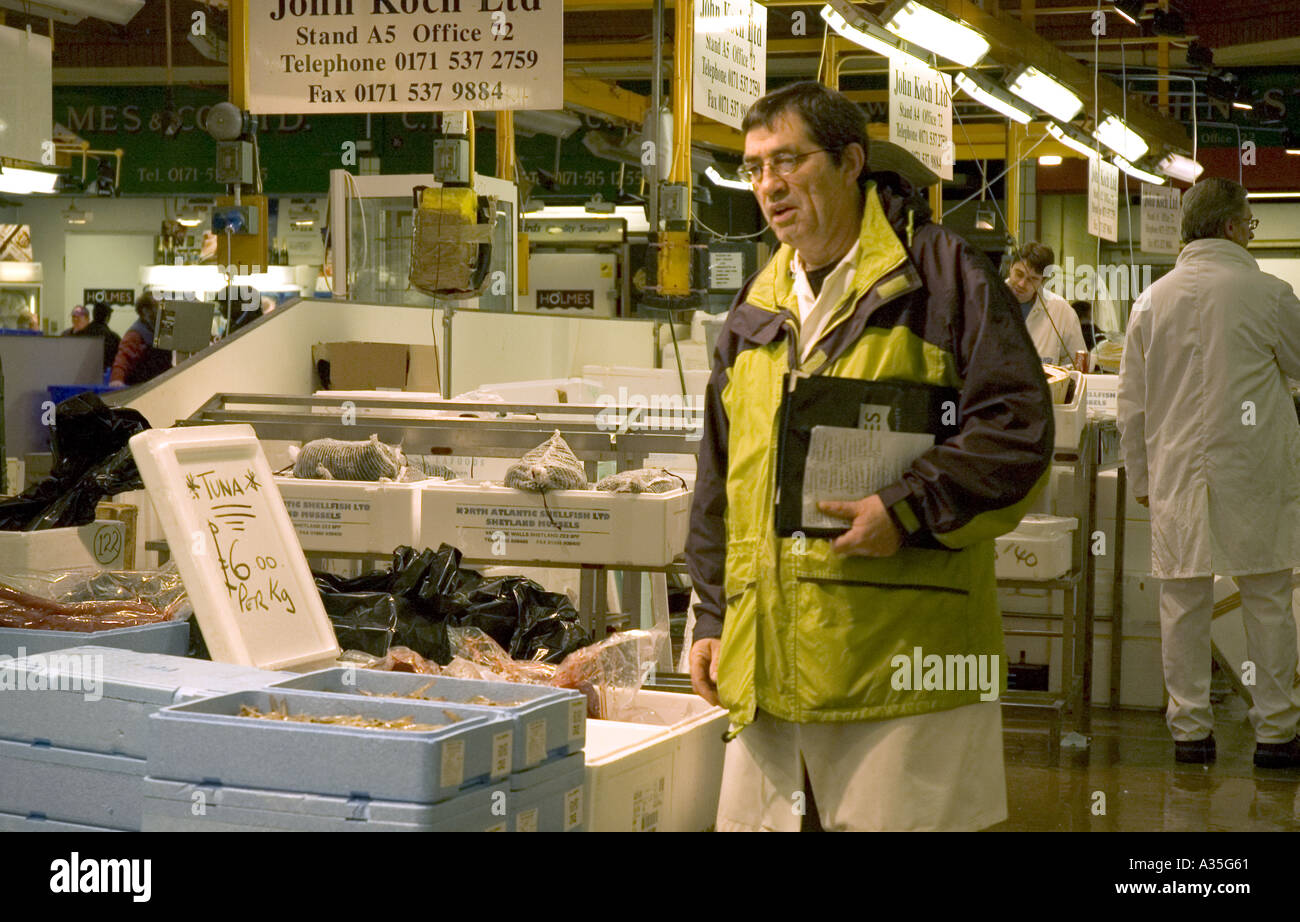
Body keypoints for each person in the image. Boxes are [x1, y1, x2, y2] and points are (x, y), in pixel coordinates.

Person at [686, 81, 1054, 832]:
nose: (768, 185)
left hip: (902, 671)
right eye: (754, 167)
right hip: (768, 664)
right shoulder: (754, 310)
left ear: (851, 160)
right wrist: (711, 615)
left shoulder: (944, 278)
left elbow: (1015, 429)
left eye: (788, 160)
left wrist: (910, 506)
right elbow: (719, 479)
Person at [1117, 177, 1300, 769]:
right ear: (1229, 227)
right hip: (1255, 470)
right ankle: (1276, 734)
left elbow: (1132, 403)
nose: (1251, 234)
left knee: (1183, 600)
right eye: (1249, 224)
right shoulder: (1269, 294)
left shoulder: (1151, 301)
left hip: (1176, 472)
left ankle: (1190, 733)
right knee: (1269, 597)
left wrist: (1142, 478)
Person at [1005, 242, 1086, 366]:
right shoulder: (986, 298)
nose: (1021, 284)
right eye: (1019, 274)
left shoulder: (1061, 311)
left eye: (1032, 279)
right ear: (1010, 267)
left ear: (1042, 281)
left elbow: (1078, 366)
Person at [109, 292, 172, 388]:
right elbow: (123, 359)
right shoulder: (135, 334)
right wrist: (116, 380)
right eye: (156, 307)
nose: (161, 311)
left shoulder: (159, 331)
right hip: (141, 389)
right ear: (145, 311)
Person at [74, 302, 121, 373]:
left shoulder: (79, 335)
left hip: (81, 378)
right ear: (107, 317)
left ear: (94, 315)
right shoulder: (113, 338)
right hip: (104, 380)